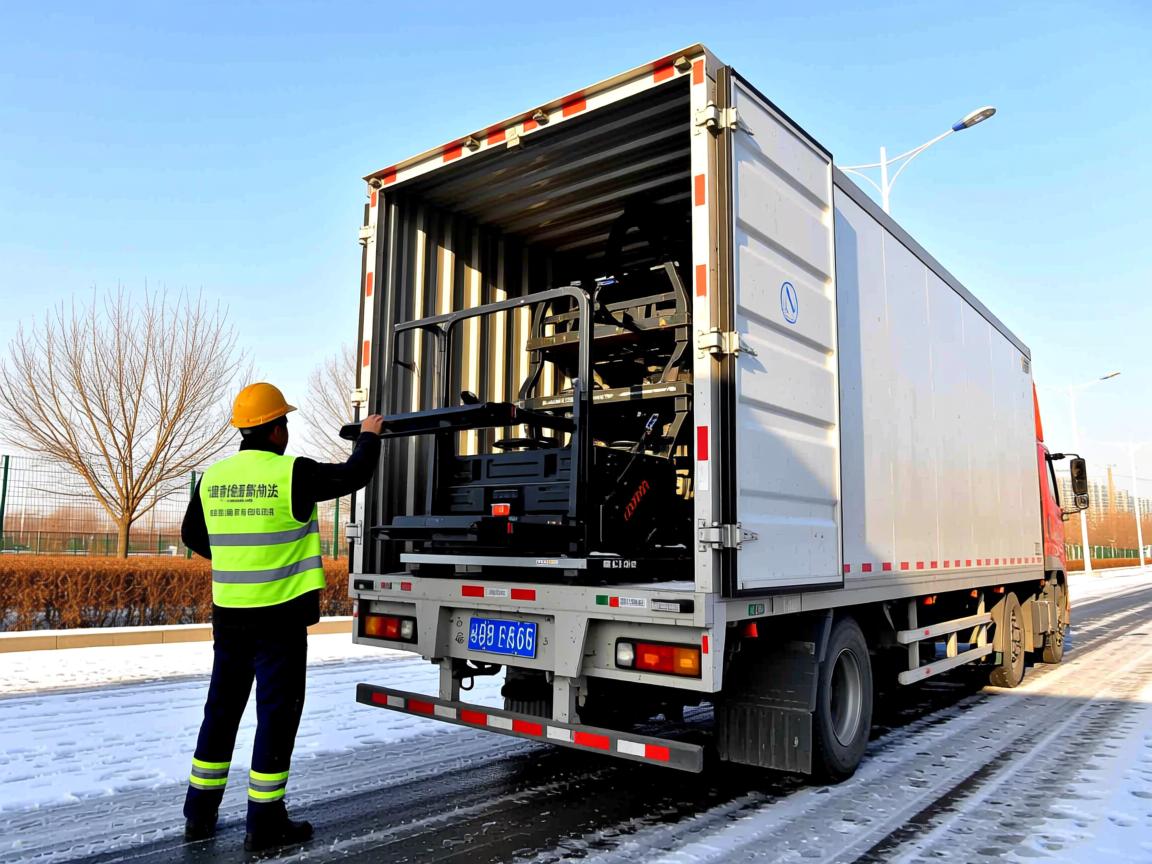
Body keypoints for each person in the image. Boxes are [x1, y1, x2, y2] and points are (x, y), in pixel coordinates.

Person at [180, 381, 383, 853]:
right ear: (275, 430)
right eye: (285, 423)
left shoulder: (213, 477)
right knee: (275, 715)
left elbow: (192, 535)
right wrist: (369, 436)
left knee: (221, 711)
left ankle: (199, 815)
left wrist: (236, 558)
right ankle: (264, 824)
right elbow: (353, 475)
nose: (286, 431)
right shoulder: (293, 473)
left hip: (230, 616)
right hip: (280, 620)